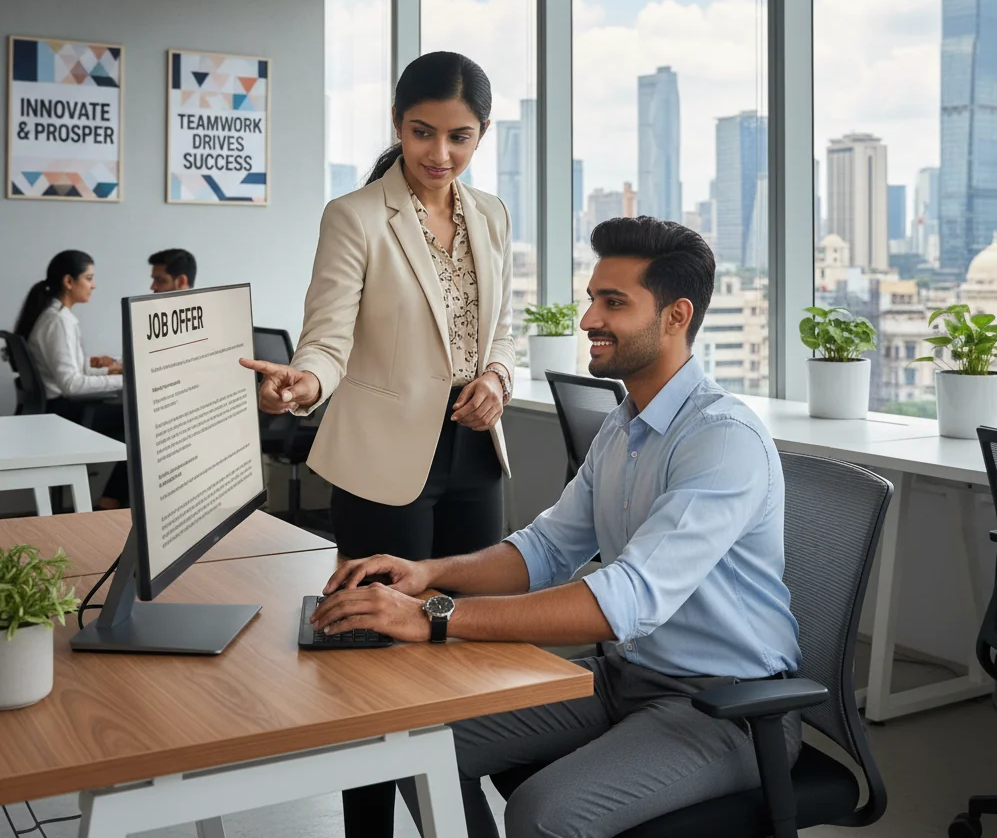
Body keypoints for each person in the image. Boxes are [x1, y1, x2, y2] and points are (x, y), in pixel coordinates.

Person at [311, 217, 802, 838]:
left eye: (613, 302)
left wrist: (437, 615)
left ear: (676, 317)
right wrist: (426, 574)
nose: (589, 319)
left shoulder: (721, 440)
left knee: (546, 812)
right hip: (626, 679)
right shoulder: (625, 425)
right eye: (593, 297)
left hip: (726, 708)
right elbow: (545, 549)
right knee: (410, 740)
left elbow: (627, 599)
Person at [240, 51, 515, 834]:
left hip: (472, 457)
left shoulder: (491, 214)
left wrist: (496, 376)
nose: (440, 154)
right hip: (381, 463)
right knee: (375, 659)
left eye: (459, 137)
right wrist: (304, 383)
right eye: (423, 132)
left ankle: (456, 809)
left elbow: (500, 330)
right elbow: (327, 339)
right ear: (398, 126)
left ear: (482, 134)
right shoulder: (355, 215)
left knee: (458, 644)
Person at [14, 250, 128, 509]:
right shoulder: (57, 321)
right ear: (69, 281)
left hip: (58, 408)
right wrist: (126, 380)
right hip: (64, 412)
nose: (94, 285)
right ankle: (111, 500)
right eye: (89, 278)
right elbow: (72, 384)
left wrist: (109, 370)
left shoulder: (53, 316)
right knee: (140, 419)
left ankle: (111, 498)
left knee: (131, 421)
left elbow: (70, 370)